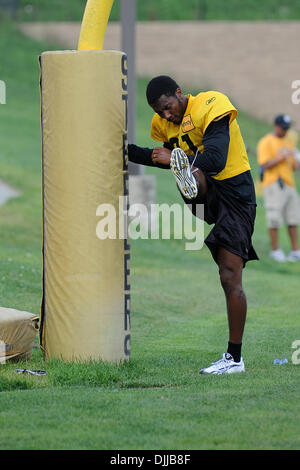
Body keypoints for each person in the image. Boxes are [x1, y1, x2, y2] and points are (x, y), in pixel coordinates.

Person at [128, 75, 258, 375]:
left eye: (168, 107)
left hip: (235, 193)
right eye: (159, 112)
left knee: (229, 275)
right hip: (206, 197)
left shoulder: (210, 104)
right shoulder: (163, 124)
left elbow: (214, 157)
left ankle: (234, 358)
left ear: (178, 93)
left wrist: (176, 157)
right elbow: (162, 157)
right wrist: (125, 150)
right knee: (185, 167)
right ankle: (189, 182)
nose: (166, 115)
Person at [257, 114, 300, 262]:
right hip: (274, 183)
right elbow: (264, 164)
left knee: (293, 219)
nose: (286, 131)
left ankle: (296, 251)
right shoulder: (266, 142)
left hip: (289, 185)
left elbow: (294, 166)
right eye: (283, 128)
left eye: (287, 128)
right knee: (274, 218)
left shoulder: (288, 142)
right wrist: (281, 157)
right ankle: (275, 251)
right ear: (276, 126)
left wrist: (296, 160)